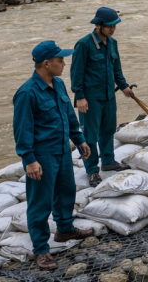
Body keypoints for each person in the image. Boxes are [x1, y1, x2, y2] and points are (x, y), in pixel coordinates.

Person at [14, 41, 94, 270]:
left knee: (66, 192)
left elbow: (68, 115)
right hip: (42, 155)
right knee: (40, 203)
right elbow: (22, 130)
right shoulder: (27, 93)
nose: (64, 63)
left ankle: (65, 229)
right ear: (47, 63)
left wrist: (79, 139)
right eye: (60, 60)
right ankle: (41, 249)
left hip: (62, 150)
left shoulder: (58, 84)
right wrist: (29, 159)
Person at [71, 7, 136, 188]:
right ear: (98, 25)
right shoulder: (84, 44)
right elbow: (76, 73)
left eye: (114, 26)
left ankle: (108, 161)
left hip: (109, 96)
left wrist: (124, 86)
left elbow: (116, 69)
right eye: (109, 26)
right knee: (90, 135)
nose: (112, 29)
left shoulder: (112, 43)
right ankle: (92, 170)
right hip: (90, 98)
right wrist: (80, 96)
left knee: (108, 130)